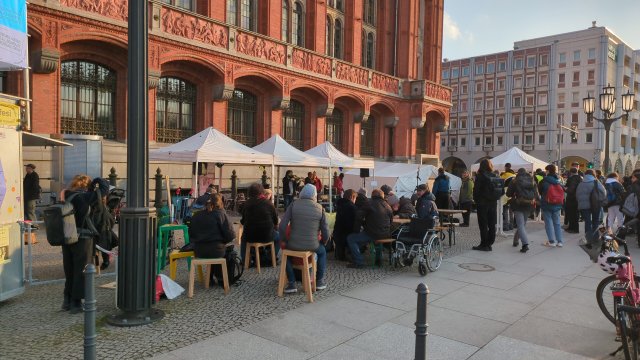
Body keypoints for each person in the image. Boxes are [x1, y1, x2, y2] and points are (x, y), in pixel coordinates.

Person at [62, 177, 109, 314]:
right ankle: (76, 304)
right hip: (83, 238)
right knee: (81, 270)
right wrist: (97, 180)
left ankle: (67, 300)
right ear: (87, 185)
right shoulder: (86, 197)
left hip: (67, 237)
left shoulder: (68, 196)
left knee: (69, 269)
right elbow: (105, 188)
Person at [279, 184, 329, 292]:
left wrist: (283, 240)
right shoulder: (320, 208)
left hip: (293, 244)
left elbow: (282, 226)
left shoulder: (293, 205)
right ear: (314, 195)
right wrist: (324, 241)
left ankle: (291, 283)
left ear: (301, 193)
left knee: (285, 253)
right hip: (313, 245)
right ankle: (319, 281)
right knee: (322, 252)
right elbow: (325, 230)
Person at [346, 188, 393, 268]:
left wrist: (356, 230)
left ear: (372, 195)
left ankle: (359, 261)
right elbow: (391, 220)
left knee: (351, 238)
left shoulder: (369, 203)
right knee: (364, 240)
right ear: (382, 196)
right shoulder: (388, 206)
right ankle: (377, 260)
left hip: (372, 233)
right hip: (386, 234)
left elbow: (359, 217)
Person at [240, 183, 279, 262]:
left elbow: (243, 221)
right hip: (266, 235)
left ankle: (245, 260)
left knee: (243, 239)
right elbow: (275, 221)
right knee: (278, 236)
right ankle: (271, 257)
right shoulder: (268, 203)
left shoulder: (246, 204)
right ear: (261, 192)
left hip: (250, 236)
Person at [190, 194, 235, 260]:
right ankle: (219, 270)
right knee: (229, 251)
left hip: (199, 251)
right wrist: (222, 241)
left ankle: (212, 270)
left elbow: (191, 235)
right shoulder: (221, 215)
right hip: (217, 251)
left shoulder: (196, 216)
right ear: (220, 203)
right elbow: (231, 236)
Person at [506, 168, 538, 253]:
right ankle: (515, 241)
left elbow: (508, 194)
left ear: (518, 173)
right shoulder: (532, 181)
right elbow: (536, 194)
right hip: (529, 204)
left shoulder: (514, 181)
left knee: (520, 225)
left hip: (518, 204)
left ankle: (525, 244)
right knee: (522, 225)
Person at [472, 159, 498, 251]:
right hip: (493, 203)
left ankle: (484, 244)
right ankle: (490, 243)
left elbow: (476, 190)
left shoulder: (480, 176)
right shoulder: (494, 175)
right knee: (491, 224)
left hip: (482, 203)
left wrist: (476, 200)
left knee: (483, 224)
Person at [576, 169, 606, 240]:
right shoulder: (596, 182)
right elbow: (603, 192)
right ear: (594, 174)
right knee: (595, 220)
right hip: (595, 204)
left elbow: (577, 194)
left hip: (583, 205)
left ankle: (588, 238)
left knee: (587, 221)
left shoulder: (581, 183)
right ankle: (595, 237)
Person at [539, 165, 565, 247]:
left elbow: (540, 192)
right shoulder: (559, 180)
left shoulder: (543, 181)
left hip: (547, 204)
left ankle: (552, 241)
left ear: (548, 171)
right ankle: (560, 241)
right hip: (557, 204)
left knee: (548, 223)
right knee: (557, 223)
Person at [333, 189, 358, 261]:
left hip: (337, 234)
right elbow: (353, 224)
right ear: (352, 197)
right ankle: (351, 254)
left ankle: (340, 253)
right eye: (355, 198)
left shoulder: (339, 204)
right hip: (347, 235)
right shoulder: (352, 207)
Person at [564, 167, 582, 233]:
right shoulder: (580, 178)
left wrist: (565, 189)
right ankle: (572, 228)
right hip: (578, 198)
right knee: (576, 214)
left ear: (571, 172)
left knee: (571, 214)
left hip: (572, 198)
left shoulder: (572, 179)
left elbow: (570, 189)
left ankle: (573, 228)